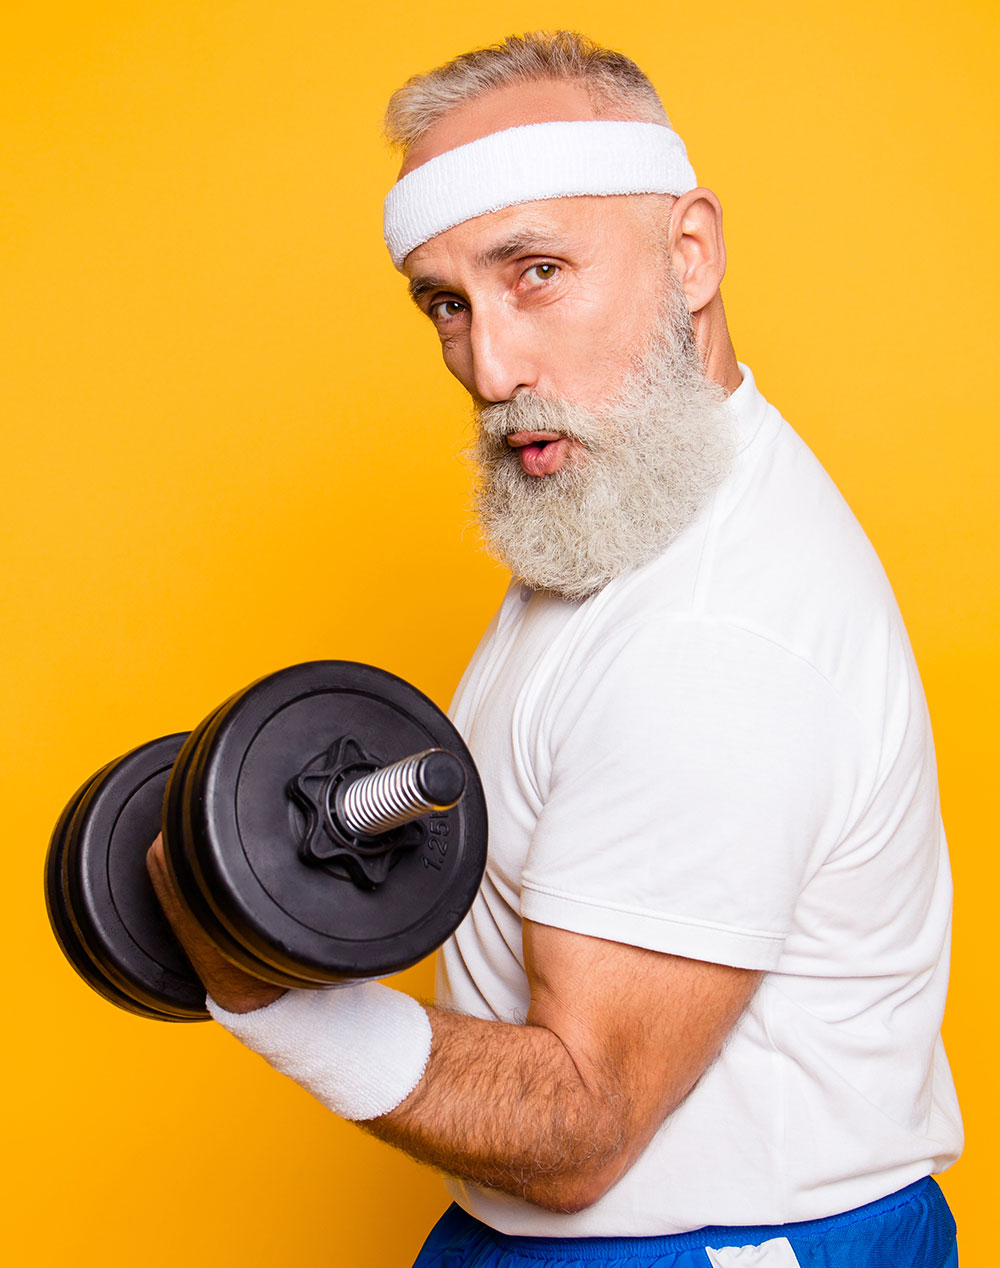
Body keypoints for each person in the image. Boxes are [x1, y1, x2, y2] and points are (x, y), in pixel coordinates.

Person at [147, 31, 963, 1267]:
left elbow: (580, 1122)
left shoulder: (716, 632)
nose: (490, 364)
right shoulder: (626, 508)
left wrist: (263, 989)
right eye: (445, 303)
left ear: (689, 253)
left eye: (535, 272)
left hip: (716, 1242)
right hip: (541, 1226)